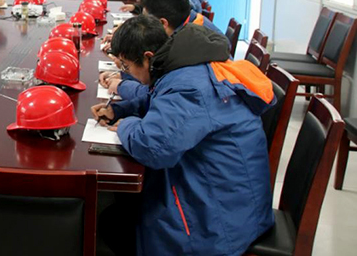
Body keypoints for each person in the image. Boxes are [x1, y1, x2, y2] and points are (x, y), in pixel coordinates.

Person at [93, 15, 275, 256]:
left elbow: (152, 149)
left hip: (222, 221)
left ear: (148, 57)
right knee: (120, 209)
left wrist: (127, 124)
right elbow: (158, 98)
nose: (128, 73)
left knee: (112, 225)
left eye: (127, 67)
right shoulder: (188, 66)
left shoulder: (190, 87)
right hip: (230, 197)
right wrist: (121, 109)